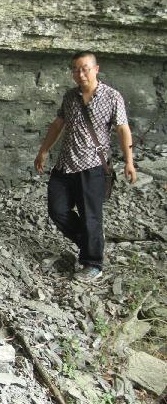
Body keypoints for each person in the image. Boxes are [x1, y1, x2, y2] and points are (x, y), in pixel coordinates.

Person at [34, 51, 136, 282]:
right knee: (57, 210)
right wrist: (44, 150)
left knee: (91, 217)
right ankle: (92, 243)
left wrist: (129, 161)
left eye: (85, 68)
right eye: (75, 69)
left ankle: (93, 263)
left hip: (92, 167)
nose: (80, 73)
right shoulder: (70, 97)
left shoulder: (112, 97)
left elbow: (122, 129)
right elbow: (59, 123)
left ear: (96, 69)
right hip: (65, 165)